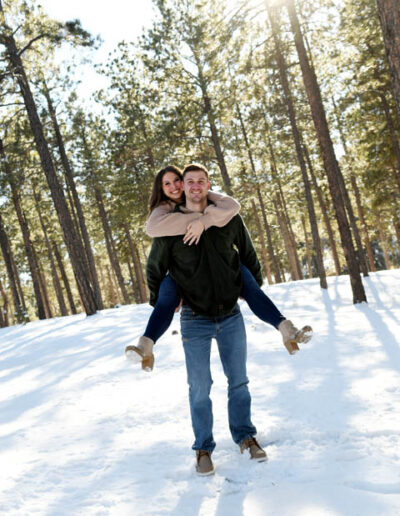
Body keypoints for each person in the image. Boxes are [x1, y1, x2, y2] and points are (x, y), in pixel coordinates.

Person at [141, 164, 312, 475]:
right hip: (195, 318)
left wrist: (251, 289)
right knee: (199, 387)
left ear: (208, 184)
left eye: (199, 181)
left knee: (240, 382)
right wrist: (163, 300)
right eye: (188, 181)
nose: (193, 186)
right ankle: (203, 448)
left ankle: (246, 438)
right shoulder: (170, 226)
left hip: (231, 315)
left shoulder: (227, 216)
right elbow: (155, 267)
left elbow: (248, 254)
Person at [125, 165, 312, 372]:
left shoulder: (217, 206)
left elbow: (238, 222)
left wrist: (252, 285)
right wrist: (156, 297)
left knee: (243, 274)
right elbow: (154, 259)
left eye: (177, 181)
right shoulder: (165, 215)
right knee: (168, 290)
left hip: (224, 270)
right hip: (186, 279)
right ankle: (146, 345)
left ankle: (287, 330)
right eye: (168, 184)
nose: (175, 187)